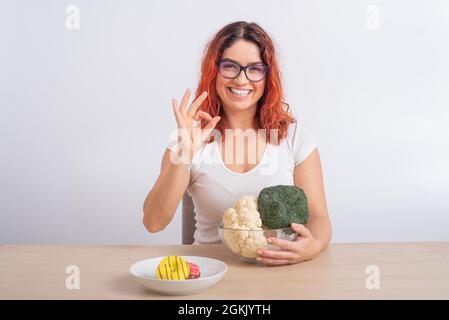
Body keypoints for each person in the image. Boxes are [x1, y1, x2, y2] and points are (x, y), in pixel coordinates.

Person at [143, 21, 332, 266]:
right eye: (230, 66)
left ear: (267, 76)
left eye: (254, 69)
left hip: (279, 275)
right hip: (208, 275)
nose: (242, 80)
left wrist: (313, 246)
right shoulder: (189, 138)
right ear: (214, 70)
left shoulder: (295, 138)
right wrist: (185, 154)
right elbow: (153, 222)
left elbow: (319, 218)